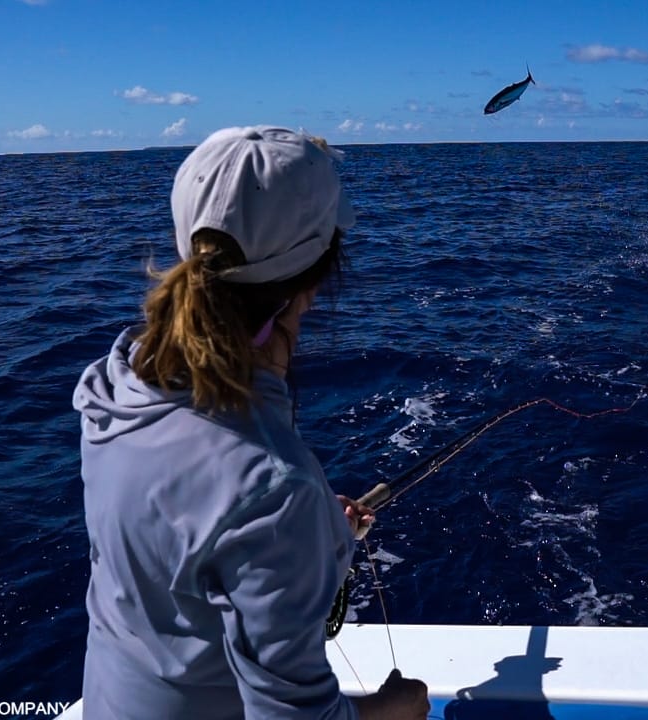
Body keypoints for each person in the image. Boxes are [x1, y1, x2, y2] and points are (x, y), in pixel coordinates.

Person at [73, 125, 430, 719]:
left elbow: (196, 524)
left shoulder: (113, 384)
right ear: (314, 281)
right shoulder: (273, 488)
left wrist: (317, 530)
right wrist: (399, 708)